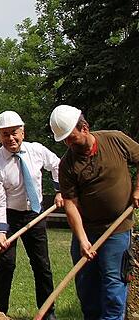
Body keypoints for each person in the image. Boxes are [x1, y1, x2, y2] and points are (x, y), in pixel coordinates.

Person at [50, 105, 139, 320]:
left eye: (72, 138)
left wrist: (137, 189)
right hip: (87, 230)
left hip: (118, 229)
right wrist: (81, 239)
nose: (69, 144)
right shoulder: (67, 164)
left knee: (113, 286)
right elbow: (70, 204)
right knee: (87, 289)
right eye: (65, 141)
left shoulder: (115, 140)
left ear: (85, 128)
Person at [0, 111, 61, 320]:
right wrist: (1, 232)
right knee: (6, 264)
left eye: (14, 133)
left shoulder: (37, 151)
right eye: (5, 134)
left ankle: (47, 313)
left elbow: (56, 165)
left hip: (35, 215)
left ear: (23, 132)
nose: (10, 138)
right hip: (9, 216)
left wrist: (59, 191)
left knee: (41, 264)